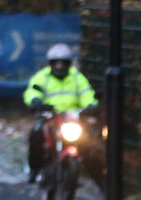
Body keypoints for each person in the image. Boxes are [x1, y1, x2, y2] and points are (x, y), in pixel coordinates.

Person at [22, 43, 98, 183]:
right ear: (50, 64)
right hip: (49, 116)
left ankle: (91, 171)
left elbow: (86, 93)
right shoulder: (42, 77)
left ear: (68, 64)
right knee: (37, 135)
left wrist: (91, 105)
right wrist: (36, 102)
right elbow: (32, 91)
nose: (59, 66)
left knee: (89, 139)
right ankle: (34, 169)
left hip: (71, 118)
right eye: (55, 63)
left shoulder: (77, 77)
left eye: (63, 63)